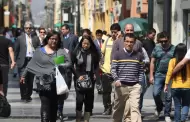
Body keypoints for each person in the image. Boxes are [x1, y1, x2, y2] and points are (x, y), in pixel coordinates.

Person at [20, 31, 71, 122]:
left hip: (56, 83)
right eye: (52, 39)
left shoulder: (60, 51)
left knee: (54, 105)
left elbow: (69, 63)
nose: (54, 41)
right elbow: (31, 64)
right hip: (42, 82)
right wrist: (23, 76)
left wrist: (59, 64)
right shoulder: (39, 51)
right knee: (45, 103)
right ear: (48, 39)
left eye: (56, 39)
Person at [111, 33, 143, 122]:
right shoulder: (117, 54)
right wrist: (116, 80)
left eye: (131, 42)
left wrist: (139, 83)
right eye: (127, 41)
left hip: (134, 86)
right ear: (124, 42)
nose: (129, 44)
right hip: (121, 86)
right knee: (118, 109)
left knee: (135, 108)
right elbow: (113, 69)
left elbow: (140, 70)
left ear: (134, 43)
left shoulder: (139, 55)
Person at [71, 36, 100, 122]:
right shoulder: (76, 52)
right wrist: (77, 75)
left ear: (90, 44)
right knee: (79, 99)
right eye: (84, 43)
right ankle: (78, 118)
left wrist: (95, 73)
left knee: (89, 100)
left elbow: (97, 65)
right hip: (79, 78)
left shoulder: (93, 53)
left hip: (90, 79)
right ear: (81, 43)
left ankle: (86, 119)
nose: (85, 45)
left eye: (87, 44)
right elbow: (71, 65)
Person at [149, 31, 175, 122]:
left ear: (169, 40)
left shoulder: (174, 49)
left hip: (171, 75)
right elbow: (152, 62)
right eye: (161, 41)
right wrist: (151, 75)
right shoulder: (157, 48)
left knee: (169, 96)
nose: (163, 43)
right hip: (159, 74)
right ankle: (159, 107)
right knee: (155, 93)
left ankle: (167, 114)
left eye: (165, 41)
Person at [15, 21, 40, 102]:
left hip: (32, 61)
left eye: (29, 28)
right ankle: (23, 95)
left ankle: (28, 95)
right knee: (22, 79)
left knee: (30, 79)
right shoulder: (20, 38)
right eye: (26, 28)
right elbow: (16, 50)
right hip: (23, 61)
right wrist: (14, 61)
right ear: (24, 29)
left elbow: (39, 48)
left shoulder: (35, 38)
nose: (28, 29)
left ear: (31, 29)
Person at [164, 43, 190, 122]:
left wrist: (166, 84)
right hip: (187, 86)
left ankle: (177, 120)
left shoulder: (172, 61)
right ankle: (183, 118)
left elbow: (169, 73)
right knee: (186, 104)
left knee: (177, 106)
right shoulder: (188, 62)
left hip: (175, 87)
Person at [58, 24, 79, 119]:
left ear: (68, 30)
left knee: (67, 87)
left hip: (70, 66)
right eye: (61, 29)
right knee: (60, 90)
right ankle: (59, 111)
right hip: (60, 67)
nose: (62, 30)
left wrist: (74, 62)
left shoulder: (74, 38)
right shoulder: (59, 39)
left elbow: (77, 50)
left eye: (63, 29)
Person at [100, 23, 121, 115]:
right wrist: (101, 64)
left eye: (115, 32)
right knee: (106, 92)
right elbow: (102, 53)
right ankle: (107, 107)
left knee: (118, 92)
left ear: (119, 32)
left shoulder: (122, 42)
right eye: (112, 32)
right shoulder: (107, 40)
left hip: (118, 72)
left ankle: (116, 107)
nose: (113, 34)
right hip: (106, 71)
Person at [0, 27, 16, 96]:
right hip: (4, 64)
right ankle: (4, 97)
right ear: (5, 33)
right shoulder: (8, 41)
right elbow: (11, 51)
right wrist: (13, 61)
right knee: (4, 82)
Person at [94, 29, 104, 94]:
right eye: (98, 35)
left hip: (103, 61)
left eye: (100, 35)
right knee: (97, 75)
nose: (99, 36)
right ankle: (99, 88)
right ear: (96, 35)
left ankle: (103, 86)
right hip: (97, 61)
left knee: (102, 75)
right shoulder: (94, 42)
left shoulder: (104, 41)